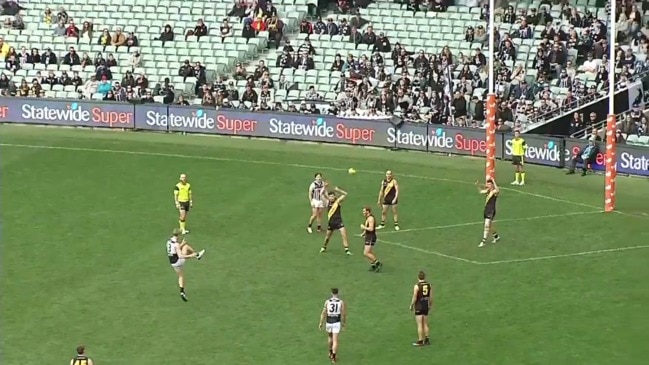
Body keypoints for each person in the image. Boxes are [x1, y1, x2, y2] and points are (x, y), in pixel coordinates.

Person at [166, 228, 205, 301]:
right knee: (186, 247)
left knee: (180, 276)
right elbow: (180, 256)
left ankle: (182, 292)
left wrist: (181, 244)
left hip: (172, 263)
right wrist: (191, 255)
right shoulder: (176, 244)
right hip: (178, 261)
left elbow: (174, 251)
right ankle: (197, 255)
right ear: (178, 235)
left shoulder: (168, 242)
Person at [320, 188, 352, 255]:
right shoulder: (327, 202)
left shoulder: (338, 202)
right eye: (330, 196)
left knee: (344, 234)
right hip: (331, 223)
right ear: (328, 197)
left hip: (338, 222)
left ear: (335, 196)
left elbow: (345, 194)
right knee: (327, 237)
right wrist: (324, 187)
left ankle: (347, 250)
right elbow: (321, 194)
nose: (331, 198)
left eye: (332, 196)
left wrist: (338, 190)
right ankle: (324, 247)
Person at [318, 288, 346, 363]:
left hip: (329, 321)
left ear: (331, 293)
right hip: (336, 322)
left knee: (330, 337)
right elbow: (343, 314)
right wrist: (343, 323)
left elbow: (323, 312)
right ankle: (333, 357)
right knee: (335, 340)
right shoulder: (341, 302)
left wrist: (321, 323)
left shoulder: (327, 302)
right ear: (338, 293)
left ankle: (330, 352)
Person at [409, 271, 432, 346]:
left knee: (419, 324)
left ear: (418, 277)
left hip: (419, 305)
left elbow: (415, 297)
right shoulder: (429, 285)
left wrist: (411, 305)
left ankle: (420, 340)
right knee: (425, 323)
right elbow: (430, 297)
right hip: (425, 304)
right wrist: (430, 305)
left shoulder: (417, 286)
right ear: (424, 277)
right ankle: (427, 339)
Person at [475, 179, 500, 247]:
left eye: (489, 184)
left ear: (492, 184)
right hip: (486, 210)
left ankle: (483, 241)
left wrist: (494, 181)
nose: (488, 185)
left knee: (486, 225)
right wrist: (478, 185)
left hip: (491, 210)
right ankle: (496, 236)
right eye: (487, 184)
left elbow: (497, 190)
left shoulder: (494, 192)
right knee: (490, 225)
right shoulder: (488, 191)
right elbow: (480, 191)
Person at [360, 206, 382, 272]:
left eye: (364, 211)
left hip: (371, 237)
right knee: (370, 252)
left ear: (368, 211)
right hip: (368, 236)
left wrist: (363, 227)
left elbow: (371, 228)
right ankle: (373, 265)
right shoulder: (367, 218)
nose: (363, 212)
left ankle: (378, 263)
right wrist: (363, 233)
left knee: (366, 253)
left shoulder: (370, 219)